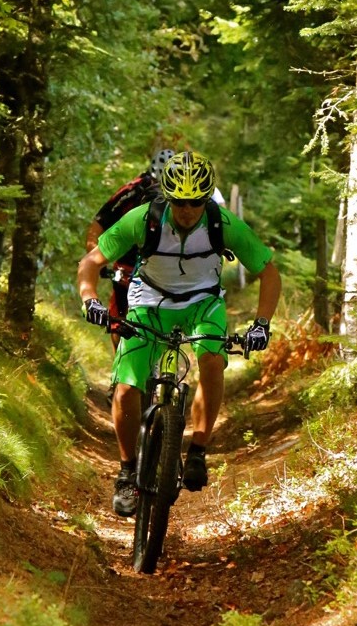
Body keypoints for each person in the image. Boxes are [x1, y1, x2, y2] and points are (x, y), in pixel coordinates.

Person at [77, 151, 281, 517]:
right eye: (180, 202)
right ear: (167, 197)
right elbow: (92, 261)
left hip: (204, 304)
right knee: (126, 387)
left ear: (207, 198)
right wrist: (89, 299)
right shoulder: (144, 218)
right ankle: (127, 473)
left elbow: (269, 271)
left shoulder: (223, 223)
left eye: (196, 202)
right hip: (149, 303)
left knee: (212, 360)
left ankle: (199, 451)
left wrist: (262, 324)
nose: (188, 210)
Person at [85, 148, 175, 347]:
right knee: (120, 319)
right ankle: (120, 364)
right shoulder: (133, 190)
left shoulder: (185, 196)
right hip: (127, 264)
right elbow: (99, 222)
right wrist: (96, 258)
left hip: (164, 264)